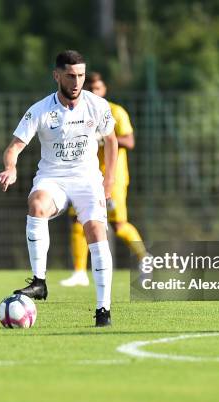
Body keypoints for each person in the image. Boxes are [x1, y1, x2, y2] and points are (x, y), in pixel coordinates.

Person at [0, 50, 118, 327]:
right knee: (37, 204)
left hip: (87, 179)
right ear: (57, 76)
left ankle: (103, 310)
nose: (76, 82)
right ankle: (39, 281)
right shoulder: (40, 110)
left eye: (81, 76)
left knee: (96, 232)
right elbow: (14, 147)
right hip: (53, 178)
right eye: (71, 76)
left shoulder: (97, 105)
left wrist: (108, 181)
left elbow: (111, 141)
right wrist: (11, 168)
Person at [61, 72, 149, 287]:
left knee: (118, 225)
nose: (94, 92)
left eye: (97, 88)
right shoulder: (76, 112)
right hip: (85, 176)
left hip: (113, 177)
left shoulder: (116, 111)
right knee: (77, 221)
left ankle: (145, 258)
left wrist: (102, 138)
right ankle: (80, 272)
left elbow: (129, 141)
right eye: (89, 88)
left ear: (104, 89)